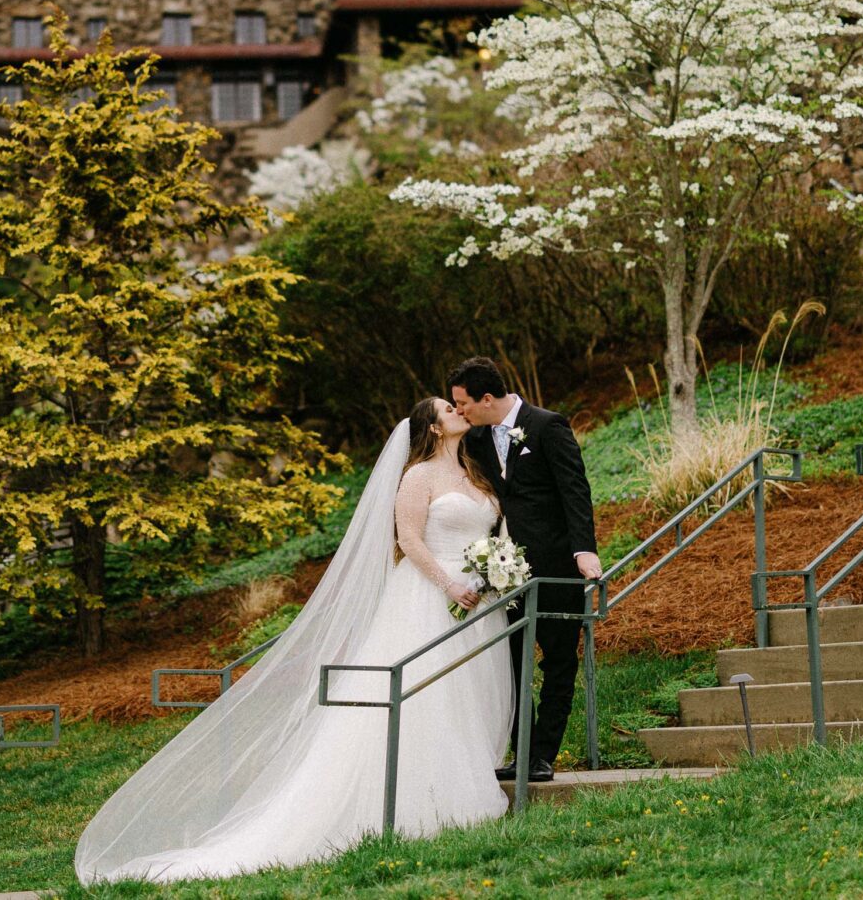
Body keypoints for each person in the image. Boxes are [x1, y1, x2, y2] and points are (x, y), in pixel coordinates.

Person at [74, 398, 512, 883]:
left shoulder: (474, 472)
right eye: (449, 406)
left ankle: (459, 779)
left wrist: (495, 569)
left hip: (479, 600)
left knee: (463, 691)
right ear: (432, 425)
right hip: (428, 596)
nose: (458, 409)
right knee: (427, 693)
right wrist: (448, 583)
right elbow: (408, 538)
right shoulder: (417, 476)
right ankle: (423, 800)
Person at [447, 355, 600, 784]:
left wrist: (583, 551)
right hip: (504, 573)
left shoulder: (548, 425)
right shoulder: (476, 439)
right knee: (512, 664)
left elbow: (575, 489)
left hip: (554, 565)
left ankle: (543, 755)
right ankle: (522, 752)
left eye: (463, 403)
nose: (459, 410)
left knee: (557, 660)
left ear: (488, 397)